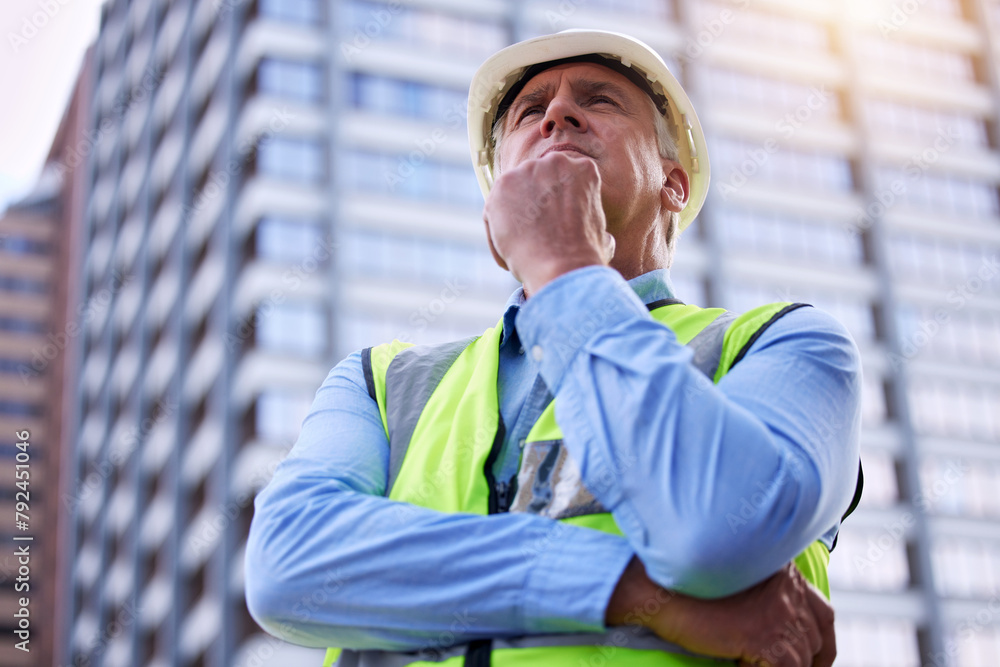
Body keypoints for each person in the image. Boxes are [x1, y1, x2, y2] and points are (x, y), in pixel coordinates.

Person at [245, 30, 863, 667]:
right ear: (497, 197)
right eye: (528, 112)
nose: (557, 115)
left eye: (599, 101)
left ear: (673, 184)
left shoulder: (786, 344)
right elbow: (288, 568)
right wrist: (639, 592)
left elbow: (710, 534)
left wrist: (565, 265)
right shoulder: (380, 383)